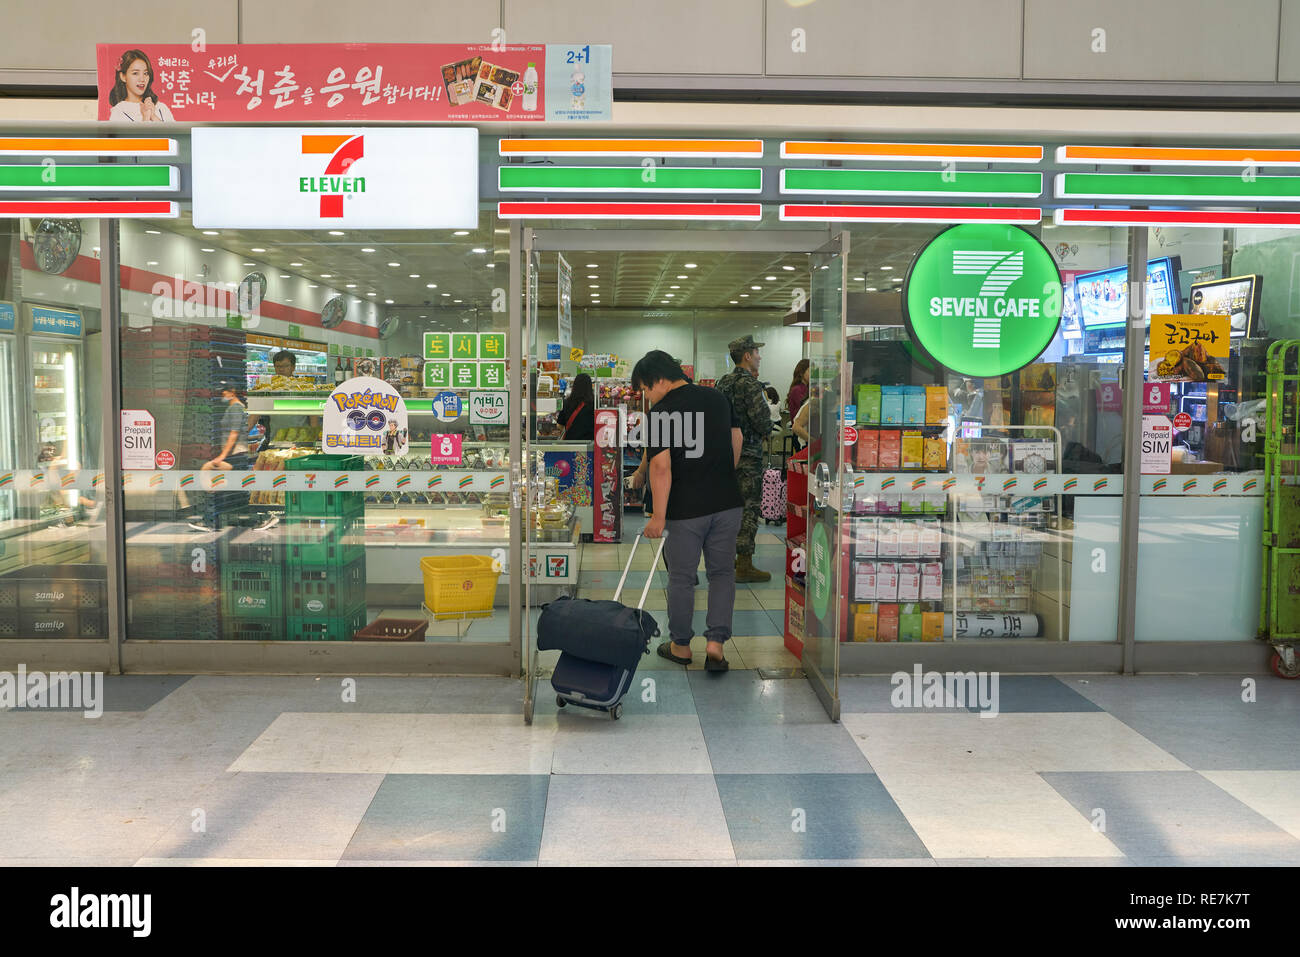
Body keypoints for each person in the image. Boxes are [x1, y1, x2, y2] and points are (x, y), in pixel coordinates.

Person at [634, 350, 743, 672]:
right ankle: (716, 644)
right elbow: (736, 438)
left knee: (682, 578)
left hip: (685, 511)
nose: (645, 395)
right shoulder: (717, 397)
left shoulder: (660, 413)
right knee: (722, 573)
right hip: (727, 503)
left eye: (644, 388)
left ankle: (681, 646)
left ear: (658, 379)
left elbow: (661, 466)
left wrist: (658, 516)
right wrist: (721, 474)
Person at [714, 334, 772, 582]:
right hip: (748, 456)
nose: (759, 356)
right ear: (747, 356)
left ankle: (725, 560)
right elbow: (762, 421)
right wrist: (768, 428)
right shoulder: (750, 385)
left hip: (725, 456)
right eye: (756, 352)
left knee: (727, 509)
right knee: (749, 509)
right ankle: (744, 564)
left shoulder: (722, 383)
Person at [108, 50, 175, 123]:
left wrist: (153, 116)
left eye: (146, 73)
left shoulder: (161, 107)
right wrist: (145, 118)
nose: (142, 79)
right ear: (123, 76)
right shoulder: (118, 112)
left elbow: (175, 134)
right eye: (135, 73)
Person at [558, 372, 595, 441]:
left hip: (570, 444)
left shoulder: (567, 402)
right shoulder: (594, 403)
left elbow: (559, 425)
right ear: (590, 386)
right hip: (589, 444)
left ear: (574, 385)